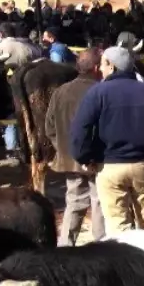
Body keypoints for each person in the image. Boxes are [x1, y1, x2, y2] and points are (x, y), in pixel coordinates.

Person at [69, 47, 144, 233]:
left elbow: (81, 129)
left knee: (118, 225)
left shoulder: (97, 93)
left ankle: (126, 261)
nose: (100, 69)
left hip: (109, 167)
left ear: (111, 65)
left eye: (102, 64)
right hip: (143, 164)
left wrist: (85, 158)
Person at [45, 48, 105, 245]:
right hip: (97, 158)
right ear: (96, 68)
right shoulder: (100, 91)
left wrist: (64, 149)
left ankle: (66, 246)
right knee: (99, 201)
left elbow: (49, 127)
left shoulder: (60, 91)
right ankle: (101, 245)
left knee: (74, 201)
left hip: (70, 159)